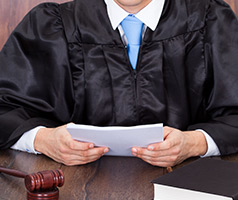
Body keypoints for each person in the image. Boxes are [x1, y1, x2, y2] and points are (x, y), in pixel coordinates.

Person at [0, 0, 238, 167]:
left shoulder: (210, 22)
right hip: (72, 187)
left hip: (187, 184)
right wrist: (43, 140)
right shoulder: (52, 26)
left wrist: (195, 143)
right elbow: (6, 108)